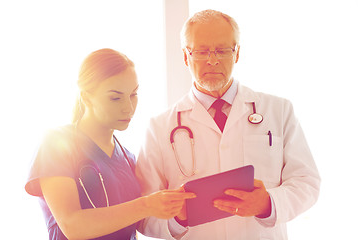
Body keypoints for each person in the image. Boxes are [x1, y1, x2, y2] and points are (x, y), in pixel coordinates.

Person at [136, 9, 321, 240]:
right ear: (186, 56)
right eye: (201, 51)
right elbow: (143, 216)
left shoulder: (279, 111)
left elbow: (307, 182)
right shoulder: (159, 127)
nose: (212, 60)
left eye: (222, 50)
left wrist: (268, 203)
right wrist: (178, 217)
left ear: (237, 53)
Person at [25, 48, 196, 240]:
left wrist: (177, 213)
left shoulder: (128, 158)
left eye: (134, 94)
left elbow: (132, 228)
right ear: (86, 97)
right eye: (115, 97)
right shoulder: (56, 144)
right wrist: (147, 205)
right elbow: (72, 226)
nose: (128, 107)